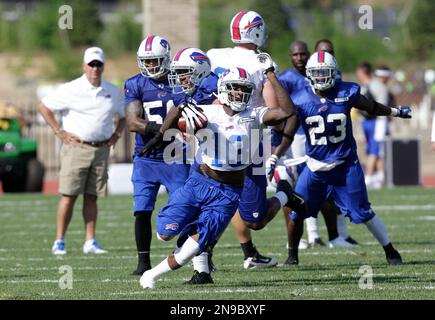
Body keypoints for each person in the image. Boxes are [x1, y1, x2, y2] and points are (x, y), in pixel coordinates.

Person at [139, 58, 297, 289]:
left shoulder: (254, 115)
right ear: (223, 89)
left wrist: (271, 73)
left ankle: (150, 275)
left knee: (192, 249)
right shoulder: (208, 112)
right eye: (235, 88)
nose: (240, 94)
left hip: (228, 193)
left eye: (245, 89)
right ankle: (195, 231)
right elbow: (179, 107)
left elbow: (286, 111)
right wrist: (161, 133)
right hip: (198, 183)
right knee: (164, 233)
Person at [285, 51, 410, 265]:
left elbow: (371, 107)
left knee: (363, 212)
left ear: (334, 73)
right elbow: (287, 132)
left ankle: (390, 250)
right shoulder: (300, 99)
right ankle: (292, 256)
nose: (322, 78)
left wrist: (396, 112)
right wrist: (274, 154)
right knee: (297, 212)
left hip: (345, 166)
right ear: (309, 74)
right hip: (315, 168)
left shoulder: (346, 91)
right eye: (317, 73)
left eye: (325, 73)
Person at [205, 10, 284, 271]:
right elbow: (274, 111)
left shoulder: (215, 54)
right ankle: (204, 258)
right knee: (225, 202)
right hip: (251, 141)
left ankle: (284, 198)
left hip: (216, 135)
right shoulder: (262, 61)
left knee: (223, 201)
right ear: (256, 31)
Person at [37, 47, 126, 255]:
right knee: (69, 195)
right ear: (84, 66)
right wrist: (59, 132)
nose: (95, 68)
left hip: (101, 149)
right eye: (91, 64)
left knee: (92, 196)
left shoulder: (112, 91)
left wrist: (117, 135)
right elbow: (43, 106)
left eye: (99, 64)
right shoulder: (71, 88)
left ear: (103, 66)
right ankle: (59, 241)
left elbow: (124, 115)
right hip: (76, 148)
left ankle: (90, 241)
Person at [124, 36, 197, 276]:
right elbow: (133, 122)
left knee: (188, 208)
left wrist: (169, 132)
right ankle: (143, 262)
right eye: (146, 61)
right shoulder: (135, 84)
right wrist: (159, 130)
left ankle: (196, 259)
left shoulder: (180, 82)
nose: (151, 66)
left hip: (175, 155)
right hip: (146, 157)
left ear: (166, 59)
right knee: (142, 209)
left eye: (155, 61)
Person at [275, 40, 353, 254]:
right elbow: (282, 110)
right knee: (300, 187)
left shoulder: (324, 72)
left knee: (325, 187)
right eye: (295, 54)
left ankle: (332, 235)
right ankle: (311, 236)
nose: (299, 58)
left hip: (322, 138)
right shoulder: (287, 79)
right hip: (298, 137)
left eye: (303, 54)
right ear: (290, 57)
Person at [313, 39, 358, 245]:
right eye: (323, 51)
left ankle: (340, 235)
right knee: (309, 193)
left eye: (330, 51)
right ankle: (311, 237)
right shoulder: (301, 79)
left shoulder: (337, 77)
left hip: (335, 143)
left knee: (338, 194)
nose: (328, 54)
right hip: (310, 140)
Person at [356, 62, 391, 189]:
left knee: (375, 149)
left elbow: (380, 106)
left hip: (375, 121)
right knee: (374, 149)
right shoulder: (374, 85)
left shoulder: (372, 85)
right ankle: (373, 176)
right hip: (372, 121)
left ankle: (373, 176)